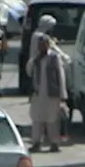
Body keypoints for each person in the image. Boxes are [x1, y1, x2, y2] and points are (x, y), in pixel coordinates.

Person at [27, 24, 67, 153]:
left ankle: (54, 143)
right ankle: (36, 142)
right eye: (40, 44)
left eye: (44, 44)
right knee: (37, 119)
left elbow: (60, 76)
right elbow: (29, 72)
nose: (42, 47)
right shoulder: (35, 60)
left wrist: (62, 95)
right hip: (38, 95)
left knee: (52, 120)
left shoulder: (54, 58)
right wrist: (34, 61)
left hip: (52, 94)